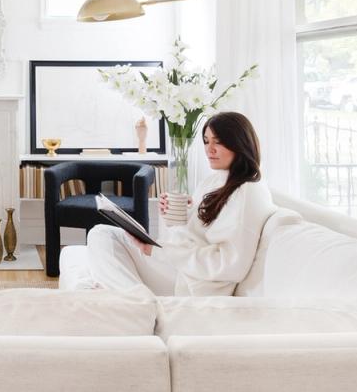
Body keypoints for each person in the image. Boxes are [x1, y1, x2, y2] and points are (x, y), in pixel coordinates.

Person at [86, 111, 275, 296]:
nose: (210, 149)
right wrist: (175, 216)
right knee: (102, 234)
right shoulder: (214, 181)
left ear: (241, 144)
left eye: (218, 142)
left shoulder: (248, 192)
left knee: (102, 235)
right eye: (207, 141)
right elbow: (193, 234)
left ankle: (133, 302)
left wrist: (161, 252)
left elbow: (230, 265)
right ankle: (126, 294)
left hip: (196, 283)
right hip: (182, 267)